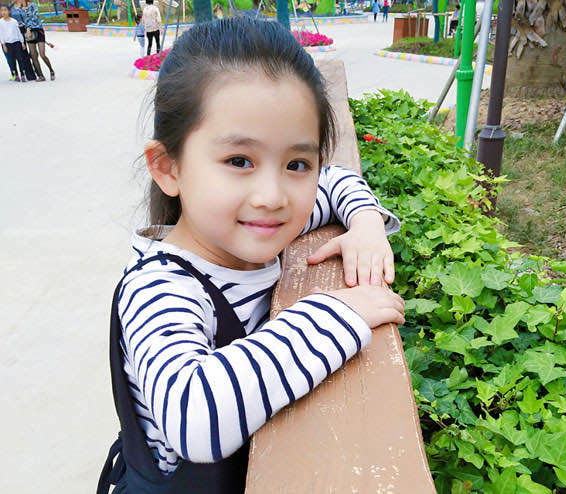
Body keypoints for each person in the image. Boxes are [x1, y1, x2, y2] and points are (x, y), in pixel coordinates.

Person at [97, 18, 404, 493]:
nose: (272, 195)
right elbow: (194, 418)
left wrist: (365, 223)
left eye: (296, 163)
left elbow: (336, 181)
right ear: (169, 167)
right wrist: (335, 316)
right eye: (239, 161)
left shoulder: (253, 221)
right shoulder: (159, 288)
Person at [23, 0, 53, 81]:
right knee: (33, 56)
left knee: (42, 54)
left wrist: (28, 28)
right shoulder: (19, 9)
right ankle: (41, 76)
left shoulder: (32, 5)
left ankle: (51, 70)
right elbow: (21, 21)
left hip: (38, 30)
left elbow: (35, 17)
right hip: (28, 34)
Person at [0, 3, 31, 82]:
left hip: (16, 42)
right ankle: (16, 75)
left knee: (20, 59)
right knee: (12, 60)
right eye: (1, 11)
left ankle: (22, 74)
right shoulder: (1, 22)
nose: (3, 12)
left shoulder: (14, 21)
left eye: (5, 10)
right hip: (8, 44)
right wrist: (3, 45)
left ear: (9, 11)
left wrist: (22, 42)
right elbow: (1, 34)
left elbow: (18, 32)